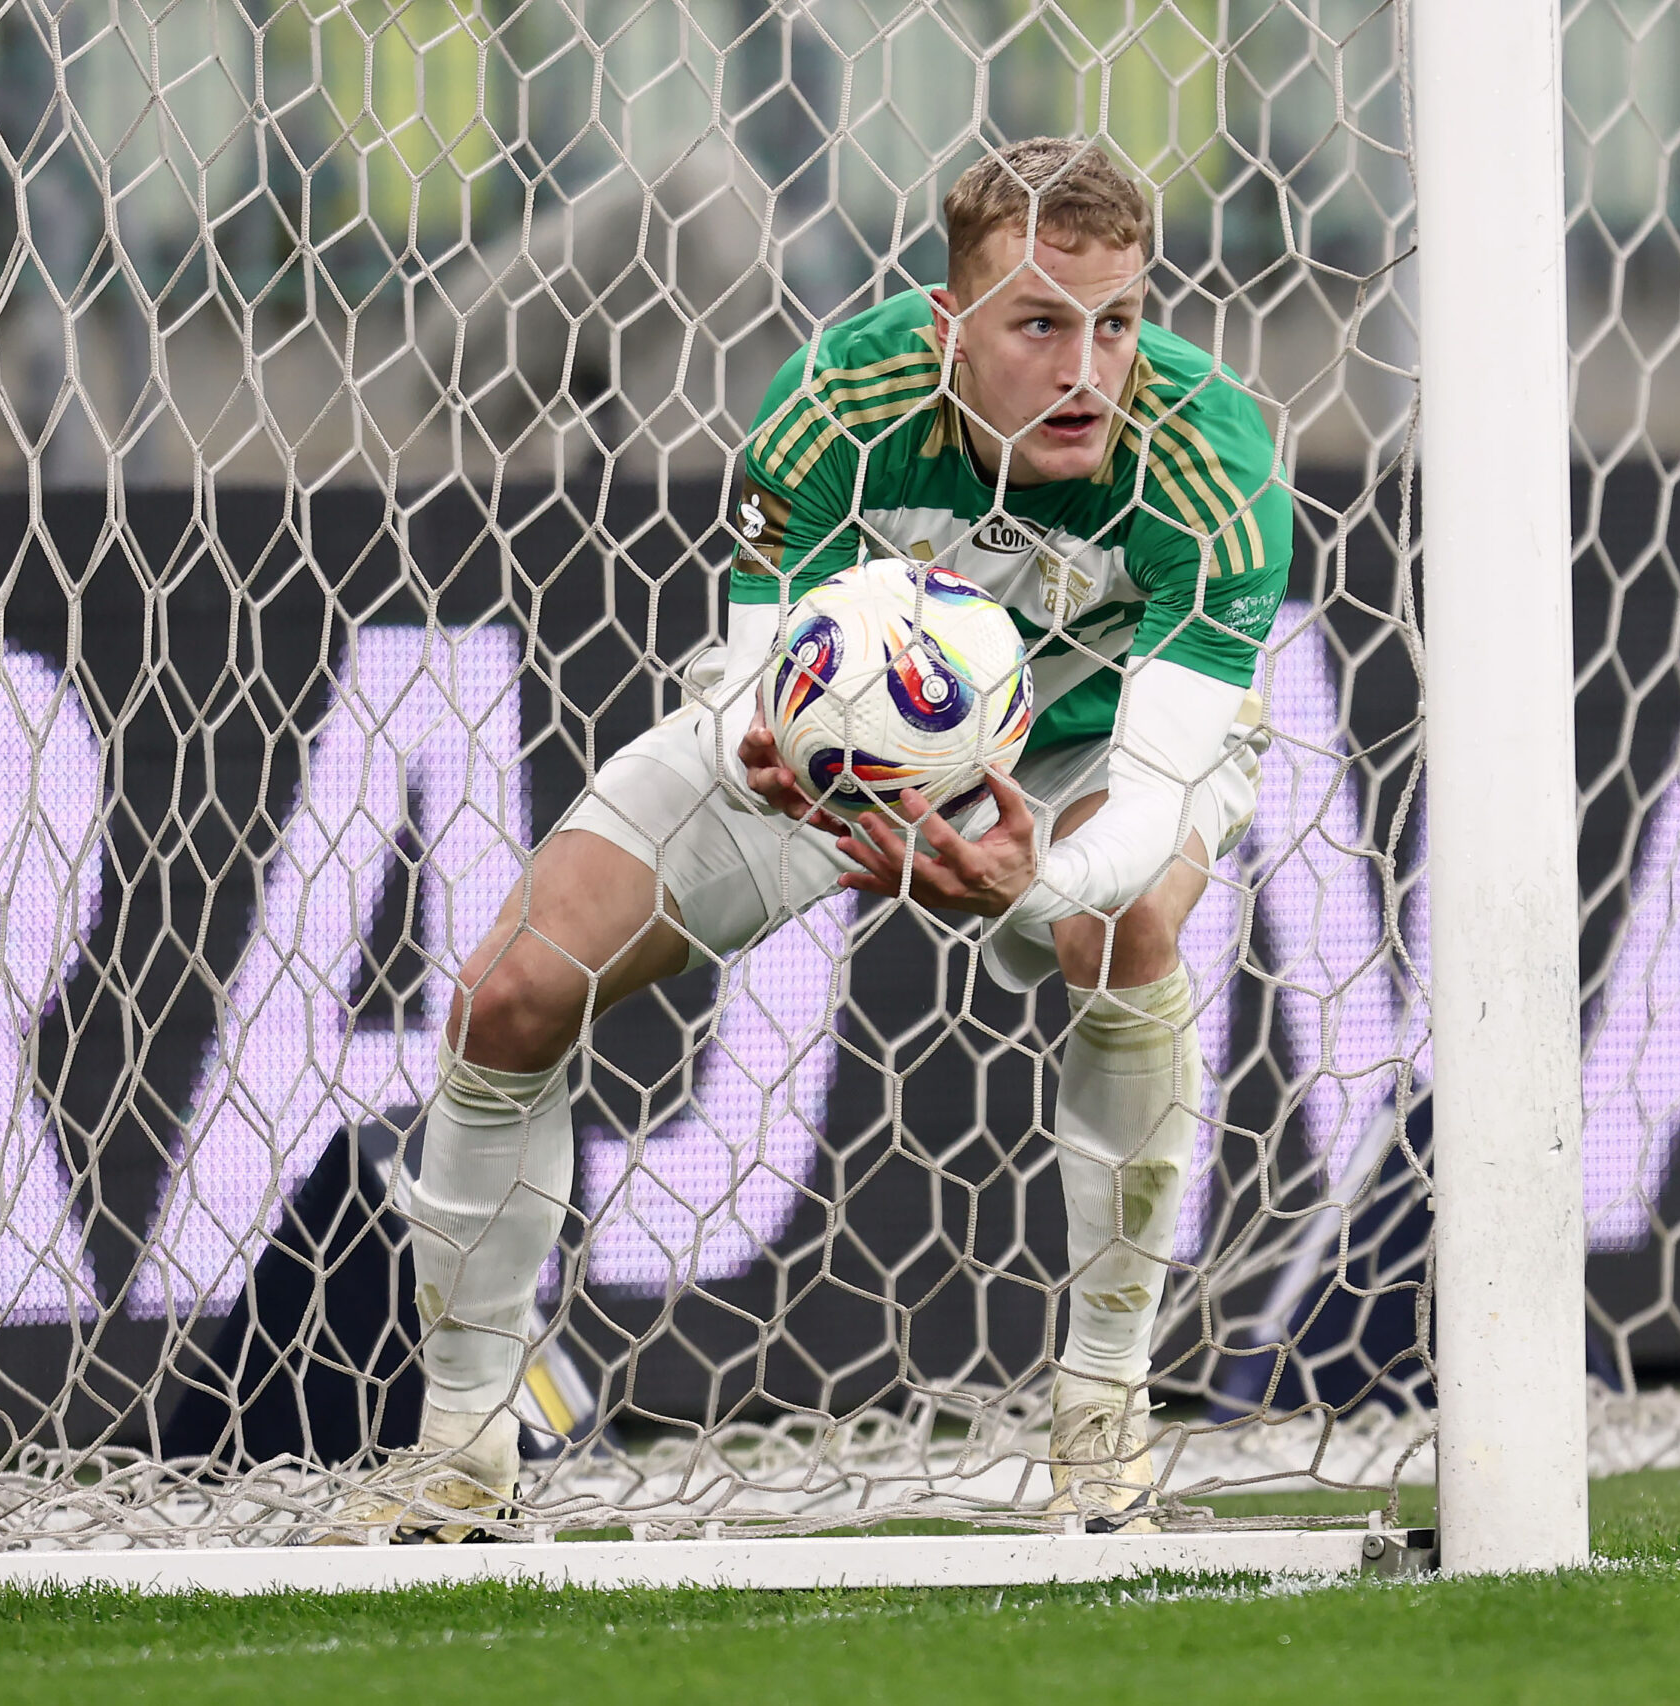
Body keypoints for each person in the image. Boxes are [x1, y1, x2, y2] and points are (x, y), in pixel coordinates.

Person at [319, 137, 1290, 1541]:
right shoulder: (836, 399)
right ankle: (463, 1451)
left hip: (1088, 751)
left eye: (1120, 320)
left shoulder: (1208, 458)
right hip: (832, 759)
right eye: (1041, 324)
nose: (1091, 367)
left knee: (1123, 920)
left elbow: (1159, 779)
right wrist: (770, 756)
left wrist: (1043, 871)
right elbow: (750, 677)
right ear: (952, 326)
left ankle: (1106, 1425)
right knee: (507, 989)